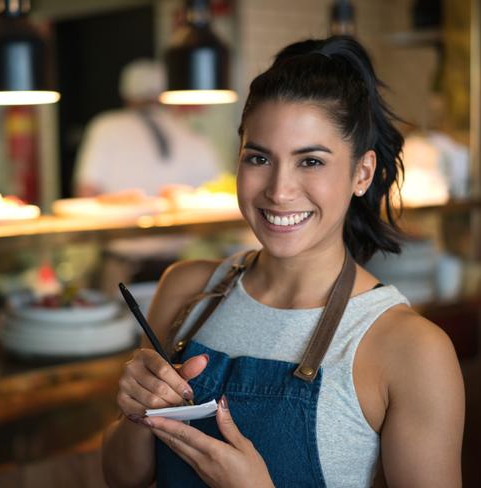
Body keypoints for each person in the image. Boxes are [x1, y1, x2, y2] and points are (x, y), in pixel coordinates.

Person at [101, 36, 464, 487]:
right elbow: (122, 477)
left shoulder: (411, 350)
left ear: (362, 173)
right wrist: (137, 414)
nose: (278, 190)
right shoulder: (185, 290)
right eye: (259, 158)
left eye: (310, 161)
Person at [74, 59, 221, 197]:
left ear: (126, 96)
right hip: (189, 221)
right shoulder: (190, 129)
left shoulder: (104, 126)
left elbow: (87, 190)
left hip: (123, 223)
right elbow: (216, 187)